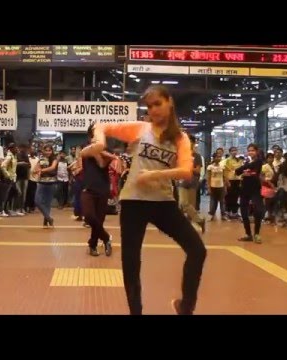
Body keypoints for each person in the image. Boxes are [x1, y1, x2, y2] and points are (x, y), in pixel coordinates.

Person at [86, 85, 207, 315]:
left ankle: (186, 307)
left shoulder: (181, 138)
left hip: (163, 202)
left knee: (197, 250)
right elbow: (100, 125)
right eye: (149, 106)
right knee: (131, 262)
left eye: (157, 104)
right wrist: (100, 143)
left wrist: (155, 175)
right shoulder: (141, 129)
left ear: (169, 102)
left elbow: (185, 171)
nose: (153, 110)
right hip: (133, 201)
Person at [80, 124, 114, 257]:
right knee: (89, 216)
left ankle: (93, 245)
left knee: (99, 220)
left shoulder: (107, 148)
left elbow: (102, 164)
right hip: (88, 187)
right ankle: (106, 238)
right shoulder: (85, 147)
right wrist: (101, 151)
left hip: (103, 187)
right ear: (90, 135)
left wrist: (106, 154)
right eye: (95, 132)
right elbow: (90, 154)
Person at [235, 144, 264, 243]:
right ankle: (248, 234)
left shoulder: (259, 161)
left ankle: (257, 233)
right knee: (243, 212)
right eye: (249, 150)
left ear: (257, 151)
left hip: (255, 189)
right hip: (244, 188)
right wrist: (244, 171)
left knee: (258, 210)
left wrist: (244, 169)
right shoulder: (247, 162)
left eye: (252, 150)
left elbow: (249, 168)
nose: (251, 152)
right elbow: (237, 172)